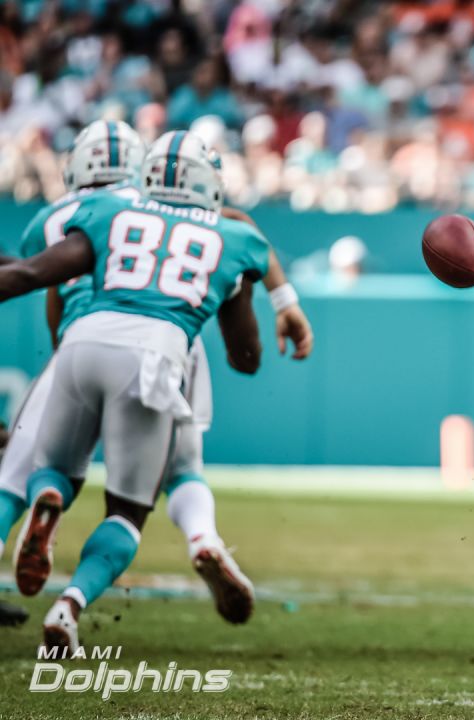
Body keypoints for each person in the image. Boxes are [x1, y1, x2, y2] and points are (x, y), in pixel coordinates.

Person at [0, 123, 313, 628]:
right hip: (158, 356)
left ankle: (47, 498)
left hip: (80, 343)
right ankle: (70, 605)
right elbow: (246, 358)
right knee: (130, 508)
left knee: (42, 469)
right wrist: (274, 299)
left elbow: (33, 275)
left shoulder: (107, 211)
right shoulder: (234, 236)